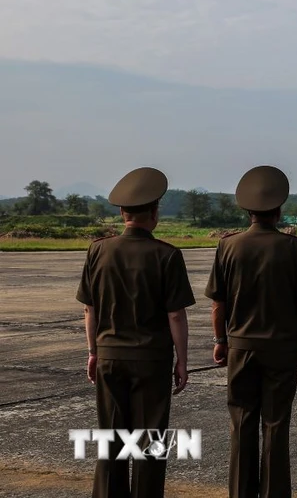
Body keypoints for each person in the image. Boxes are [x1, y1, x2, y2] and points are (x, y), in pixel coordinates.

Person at [75, 166, 196, 498]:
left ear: (122, 213)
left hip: (109, 356)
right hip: (151, 360)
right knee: (150, 441)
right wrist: (182, 361)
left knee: (110, 440)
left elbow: (90, 309)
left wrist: (93, 351)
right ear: (154, 213)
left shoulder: (98, 250)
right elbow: (175, 315)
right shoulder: (167, 255)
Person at [205, 165, 297, 498]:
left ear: (247, 211)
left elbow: (218, 304)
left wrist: (220, 341)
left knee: (241, 423)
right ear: (278, 210)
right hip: (282, 348)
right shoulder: (293, 248)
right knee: (275, 425)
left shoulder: (227, 247)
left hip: (240, 348)